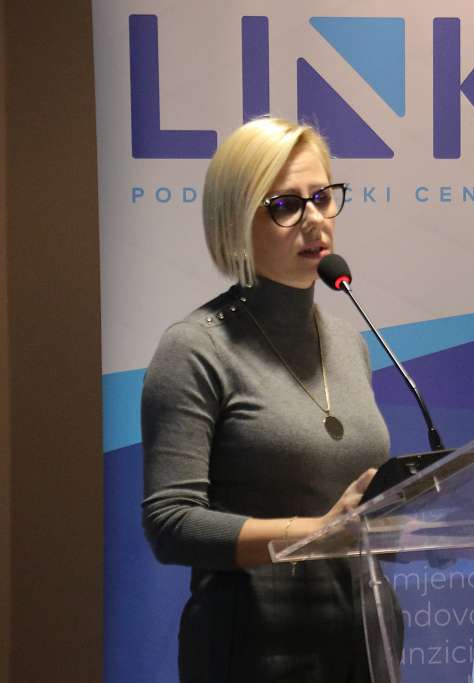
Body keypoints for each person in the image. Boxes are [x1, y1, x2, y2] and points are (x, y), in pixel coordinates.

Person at [141, 116, 389, 682]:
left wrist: (463, 530)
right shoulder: (196, 348)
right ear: (236, 222)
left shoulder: (349, 343)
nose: (315, 220)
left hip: (364, 643)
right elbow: (170, 523)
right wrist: (315, 534)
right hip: (255, 649)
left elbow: (363, 521)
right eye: (286, 206)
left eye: (322, 198)